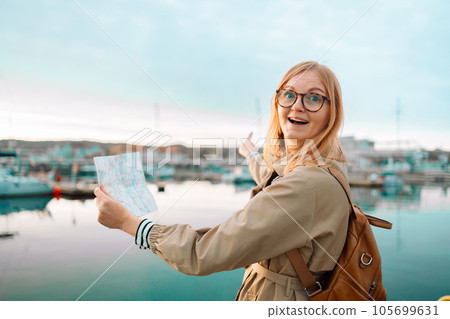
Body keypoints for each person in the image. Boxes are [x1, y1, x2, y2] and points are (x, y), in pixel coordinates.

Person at [94, 61, 349, 301]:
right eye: (289, 94)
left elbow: (203, 253)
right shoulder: (327, 167)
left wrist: (130, 223)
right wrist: (250, 155)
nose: (297, 105)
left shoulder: (306, 185)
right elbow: (275, 177)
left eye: (314, 97)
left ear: (331, 112)